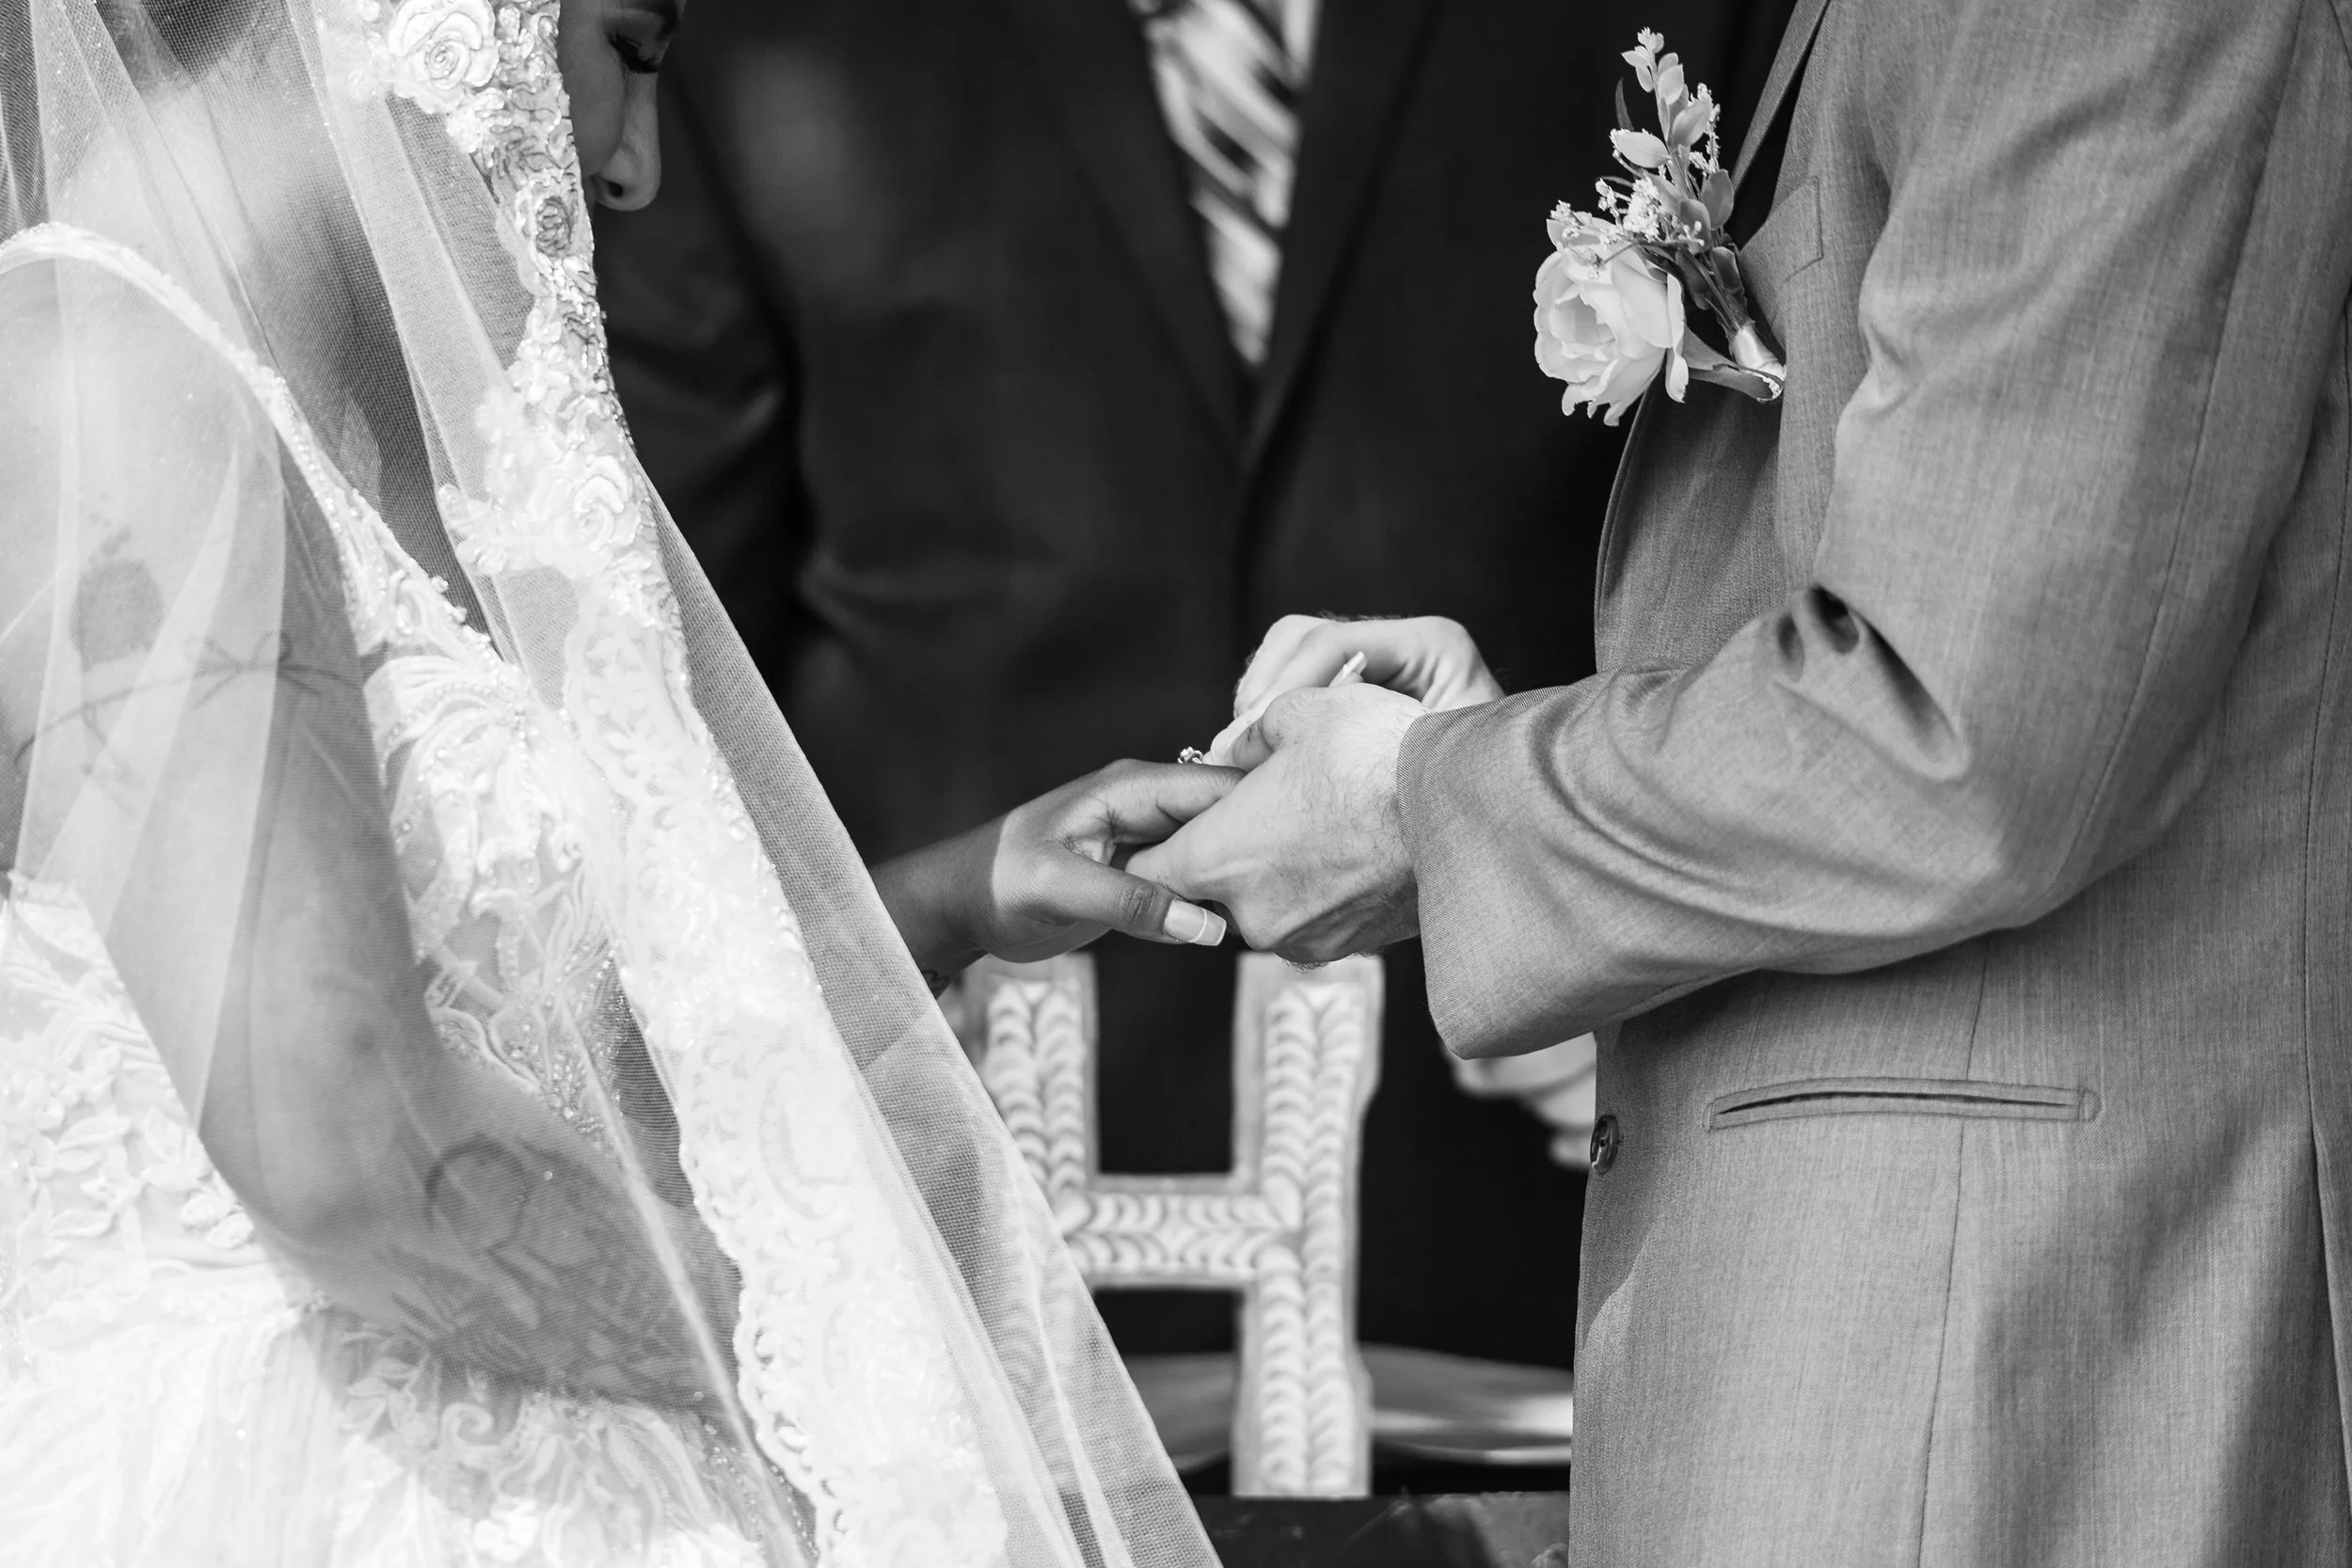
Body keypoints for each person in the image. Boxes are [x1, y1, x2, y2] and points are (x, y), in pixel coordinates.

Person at [0, 0, 1232, 1561]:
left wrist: (951, 897)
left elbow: (546, 1036)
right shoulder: (111, 387)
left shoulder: (342, 431)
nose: (636, 168)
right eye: (632, 51)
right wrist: (838, 1362)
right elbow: (345, 1151)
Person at [1134, 0, 2352, 1558]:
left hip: (1997, 1364)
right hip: (1835, 1343)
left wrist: (1423, 799)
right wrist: (1498, 759)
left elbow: (1960, 732)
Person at [587, 0, 1789, 1383]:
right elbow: (650, 678)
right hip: (974, 1234)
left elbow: (1760, 581)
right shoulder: (759, 38)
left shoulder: (1678, 21)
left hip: (1541, 1230)